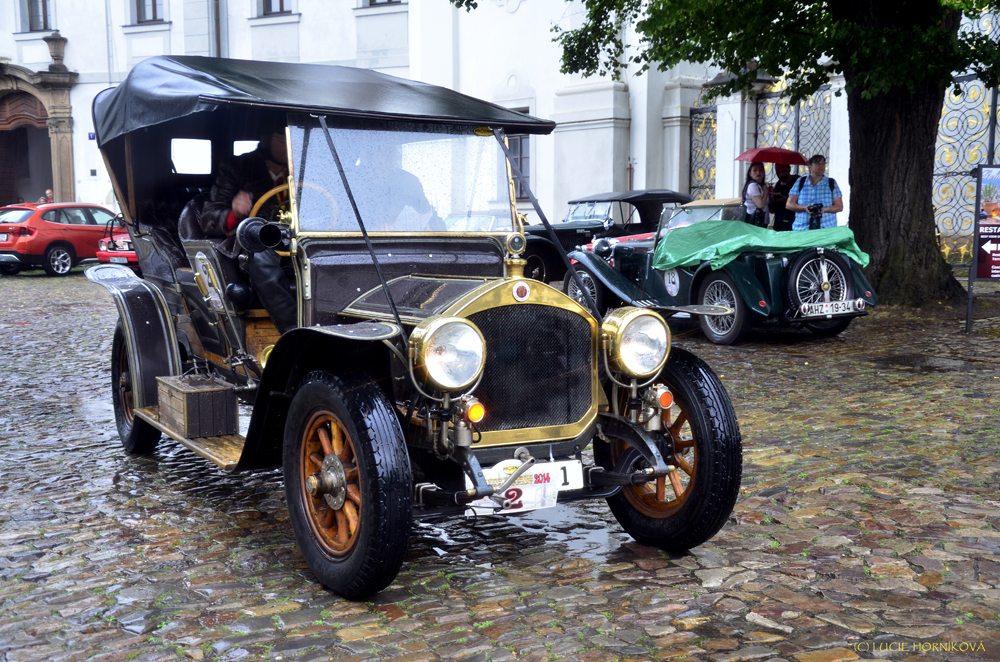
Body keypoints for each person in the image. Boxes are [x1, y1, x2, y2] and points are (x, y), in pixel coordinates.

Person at [191, 128, 298, 334]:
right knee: (260, 256)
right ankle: (295, 337)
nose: (288, 143)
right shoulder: (238, 167)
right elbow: (209, 218)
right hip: (255, 243)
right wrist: (235, 212)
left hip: (300, 242)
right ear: (267, 139)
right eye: (281, 137)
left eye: (292, 137)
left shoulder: (304, 168)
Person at [786, 154, 843, 230]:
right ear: (810, 167)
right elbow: (789, 204)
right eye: (817, 163)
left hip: (826, 229)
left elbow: (839, 206)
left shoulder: (831, 183)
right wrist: (804, 208)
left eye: (823, 163)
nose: (821, 166)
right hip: (802, 229)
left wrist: (823, 210)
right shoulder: (801, 182)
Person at [768, 164, 799, 232]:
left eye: (783, 172)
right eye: (778, 173)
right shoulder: (776, 185)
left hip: (794, 222)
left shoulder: (797, 181)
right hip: (779, 222)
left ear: (789, 169)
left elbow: (803, 203)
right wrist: (771, 199)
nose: (780, 175)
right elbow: (771, 210)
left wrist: (787, 200)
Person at [741, 161, 770, 228]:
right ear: (750, 174)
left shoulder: (760, 186)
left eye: (760, 170)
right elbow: (760, 205)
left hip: (761, 221)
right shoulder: (752, 186)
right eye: (755, 170)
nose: (758, 172)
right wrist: (766, 191)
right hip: (754, 221)